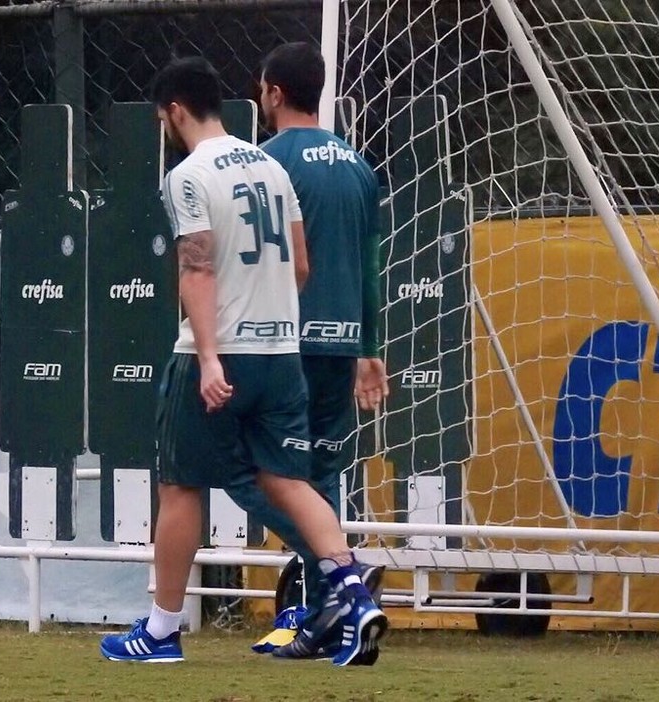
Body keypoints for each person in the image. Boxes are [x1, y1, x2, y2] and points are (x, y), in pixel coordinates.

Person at [98, 56, 386, 667]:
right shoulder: (269, 165)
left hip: (222, 351)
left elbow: (196, 266)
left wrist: (207, 357)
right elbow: (302, 264)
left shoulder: (188, 175)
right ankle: (350, 589)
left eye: (163, 119)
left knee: (180, 486)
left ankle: (162, 630)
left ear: (175, 111)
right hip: (282, 355)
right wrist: (272, 315)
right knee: (288, 478)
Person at [228, 42, 389, 662]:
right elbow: (370, 265)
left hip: (281, 344)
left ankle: (341, 577)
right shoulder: (357, 165)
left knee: (241, 467)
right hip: (342, 344)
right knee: (320, 478)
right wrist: (368, 349)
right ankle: (336, 621)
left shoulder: (264, 164)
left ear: (271, 91)